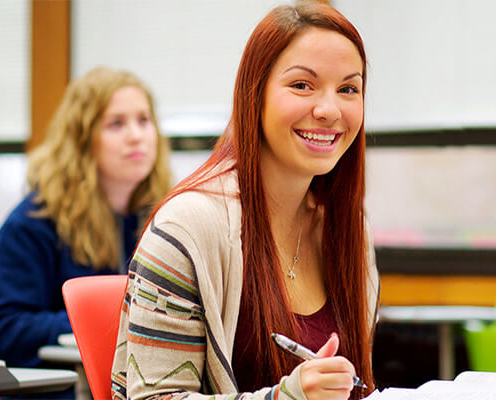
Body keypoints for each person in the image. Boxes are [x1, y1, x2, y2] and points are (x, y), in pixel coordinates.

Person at [110, 2, 378, 400]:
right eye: (302, 85)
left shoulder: (347, 229)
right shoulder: (187, 227)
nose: (329, 110)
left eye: (348, 89)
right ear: (256, 95)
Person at [0, 67, 172, 371]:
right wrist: (104, 318)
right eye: (116, 124)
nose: (136, 136)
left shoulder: (164, 219)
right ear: (82, 140)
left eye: (144, 120)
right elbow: (2, 331)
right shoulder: (32, 224)